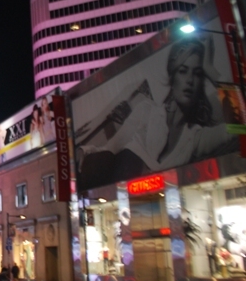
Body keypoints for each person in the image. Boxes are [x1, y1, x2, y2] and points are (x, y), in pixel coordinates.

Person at [77, 38, 238, 188]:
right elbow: (111, 147)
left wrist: (210, 69)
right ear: (172, 76)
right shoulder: (146, 111)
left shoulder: (196, 138)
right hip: (114, 197)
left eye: (197, 73)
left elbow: (238, 127)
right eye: (183, 71)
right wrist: (80, 152)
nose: (190, 80)